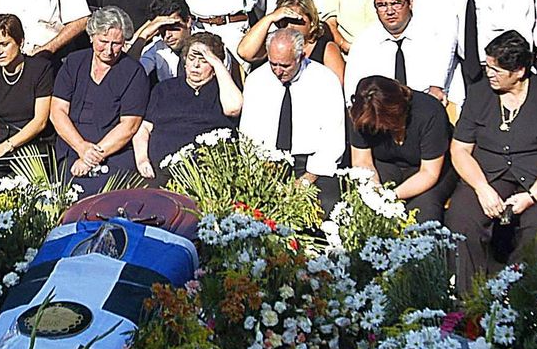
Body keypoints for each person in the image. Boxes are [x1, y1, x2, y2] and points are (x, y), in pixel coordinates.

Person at [445, 30, 537, 292]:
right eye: (488, 66)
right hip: (490, 173)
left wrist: (532, 196)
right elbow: (460, 149)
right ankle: (470, 298)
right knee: (462, 219)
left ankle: (518, 296)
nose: (489, 74)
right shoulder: (479, 93)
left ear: (519, 71)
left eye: (497, 69)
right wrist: (482, 188)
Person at [50, 6, 151, 196]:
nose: (109, 50)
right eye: (103, 42)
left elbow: (129, 125)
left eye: (116, 43)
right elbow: (57, 111)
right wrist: (81, 147)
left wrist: (92, 157)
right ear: (91, 37)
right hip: (72, 148)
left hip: (112, 154)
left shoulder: (133, 72)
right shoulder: (74, 62)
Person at [239, 27, 346, 204]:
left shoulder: (325, 80)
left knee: (327, 208)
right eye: (273, 64)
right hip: (268, 163)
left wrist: (306, 180)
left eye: (285, 65)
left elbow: (332, 139)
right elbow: (248, 134)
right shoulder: (256, 80)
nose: (278, 71)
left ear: (301, 57)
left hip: (311, 164)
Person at [0, 14, 57, 190]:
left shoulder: (40, 69)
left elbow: (40, 121)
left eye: (4, 44)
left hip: (33, 145)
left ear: (20, 42)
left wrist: (4, 147)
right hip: (0, 142)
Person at [346, 74, 455, 222]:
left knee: (424, 210)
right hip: (386, 165)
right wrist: (374, 189)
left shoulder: (429, 112)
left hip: (427, 168)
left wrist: (390, 196)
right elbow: (362, 161)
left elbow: (429, 173)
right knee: (364, 208)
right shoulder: (361, 114)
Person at [135, 32, 243, 181]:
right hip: (162, 171)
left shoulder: (224, 90)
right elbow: (144, 128)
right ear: (184, 61)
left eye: (203, 60)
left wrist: (215, 61)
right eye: (192, 58)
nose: (196, 65)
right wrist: (142, 159)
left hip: (209, 173)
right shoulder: (164, 89)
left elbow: (234, 108)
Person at [347, 0, 461, 104]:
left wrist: (437, 86)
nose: (390, 11)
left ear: (410, 3)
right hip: (383, 115)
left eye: (396, 3)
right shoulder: (365, 42)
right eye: (382, 5)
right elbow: (352, 90)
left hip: (430, 109)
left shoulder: (434, 34)